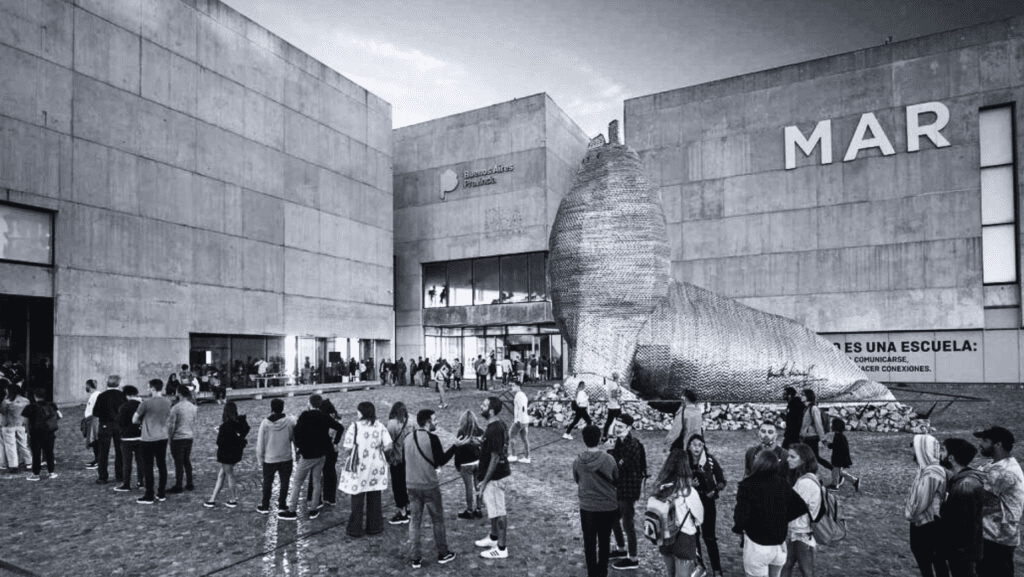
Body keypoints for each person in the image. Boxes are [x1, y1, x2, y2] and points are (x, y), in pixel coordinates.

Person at [733, 450, 808, 577]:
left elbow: (741, 518)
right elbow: (800, 507)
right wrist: (782, 518)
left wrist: (740, 529)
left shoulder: (747, 485)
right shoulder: (782, 483)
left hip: (757, 545)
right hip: (779, 545)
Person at [404, 409, 457, 568]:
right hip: (429, 485)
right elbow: (441, 461)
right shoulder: (432, 438)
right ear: (428, 422)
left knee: (415, 521)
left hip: (411, 485)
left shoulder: (407, 438)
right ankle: (443, 552)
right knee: (437, 520)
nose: (437, 422)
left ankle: (415, 557)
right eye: (435, 419)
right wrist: (455, 447)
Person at [278, 394, 343, 520]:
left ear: (310, 403)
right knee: (316, 481)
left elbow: (297, 432)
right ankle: (313, 509)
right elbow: (340, 428)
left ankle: (292, 510)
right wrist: (334, 443)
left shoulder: (304, 416)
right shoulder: (324, 416)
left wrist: (299, 448)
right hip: (321, 454)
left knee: (297, 482)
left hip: (307, 455)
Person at [974, 426, 1024, 577]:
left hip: (997, 538)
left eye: (985, 440)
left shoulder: (1003, 471)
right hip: (993, 534)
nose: (980, 444)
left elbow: (979, 498)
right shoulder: (996, 465)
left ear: (998, 444)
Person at [339, 401, 392, 537]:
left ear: (361, 412)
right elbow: (388, 445)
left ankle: (355, 529)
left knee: (357, 498)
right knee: (375, 498)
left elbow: (347, 447)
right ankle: (374, 527)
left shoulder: (355, 426)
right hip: (376, 466)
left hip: (359, 467)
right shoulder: (380, 426)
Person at [573, 424, 619, 577]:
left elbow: (577, 479)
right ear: (599, 439)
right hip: (608, 505)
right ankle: (602, 572)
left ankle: (592, 573)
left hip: (588, 507)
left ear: (584, 440)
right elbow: (616, 478)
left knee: (589, 542)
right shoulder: (609, 459)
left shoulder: (578, 461)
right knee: (604, 540)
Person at [654, 448, 705, 577]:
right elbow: (700, 518)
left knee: (670, 573)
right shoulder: (688, 491)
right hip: (684, 538)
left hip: (665, 536)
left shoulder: (660, 487)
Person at [940, 437, 985, 577]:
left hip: (962, 552)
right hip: (961, 550)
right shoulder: (959, 481)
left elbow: (964, 524)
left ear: (951, 458)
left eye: (942, 450)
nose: (939, 454)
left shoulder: (965, 485)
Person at [606, 413, 646, 571]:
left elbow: (618, 465)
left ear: (629, 428)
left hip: (629, 489)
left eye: (620, 427)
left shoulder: (632, 445)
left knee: (628, 523)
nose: (617, 429)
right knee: (613, 518)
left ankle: (633, 558)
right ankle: (621, 549)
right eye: (616, 425)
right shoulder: (619, 441)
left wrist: (609, 454)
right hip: (620, 486)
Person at [905, 434, 949, 577]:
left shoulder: (932, 472)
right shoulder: (924, 469)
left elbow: (923, 500)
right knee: (929, 562)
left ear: (924, 449)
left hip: (928, 525)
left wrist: (910, 514)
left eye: (915, 448)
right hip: (922, 522)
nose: (913, 452)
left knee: (932, 562)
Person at [475, 396, 512, 559]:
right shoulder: (497, 425)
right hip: (494, 476)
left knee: (499, 511)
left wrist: (485, 481)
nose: (480, 406)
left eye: (483, 405)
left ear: (490, 411)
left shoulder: (494, 428)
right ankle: (493, 537)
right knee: (493, 509)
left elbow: (495, 457)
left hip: (495, 477)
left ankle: (501, 548)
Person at [781, 443, 822, 577]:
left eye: (792, 457)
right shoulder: (805, 478)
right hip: (798, 531)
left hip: (802, 532)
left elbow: (795, 509)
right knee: (786, 565)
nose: (788, 459)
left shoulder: (805, 483)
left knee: (805, 571)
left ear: (803, 460)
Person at [689, 435, 726, 577]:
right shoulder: (685, 462)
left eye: (700, 445)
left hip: (707, 503)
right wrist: (689, 484)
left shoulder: (710, 461)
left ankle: (717, 569)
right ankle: (699, 566)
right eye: (694, 445)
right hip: (691, 503)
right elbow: (677, 480)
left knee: (710, 537)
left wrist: (715, 490)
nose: (697, 448)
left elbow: (721, 480)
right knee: (694, 536)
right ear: (689, 446)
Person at [204, 401, 250, 508]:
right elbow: (243, 431)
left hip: (226, 455)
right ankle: (212, 498)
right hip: (236, 453)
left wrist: (219, 432)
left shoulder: (225, 426)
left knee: (229, 475)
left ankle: (233, 499)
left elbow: (219, 442)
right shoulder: (238, 423)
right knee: (221, 475)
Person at [133, 379, 172, 505]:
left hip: (148, 438)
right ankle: (161, 493)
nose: (147, 389)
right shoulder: (167, 402)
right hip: (162, 436)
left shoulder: (146, 403)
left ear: (153, 388)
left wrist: (142, 421)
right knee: (162, 465)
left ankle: (149, 494)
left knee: (148, 467)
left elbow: (134, 419)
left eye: (148, 387)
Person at [255, 398, 296, 514]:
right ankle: (282, 504)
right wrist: (297, 453)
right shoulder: (289, 421)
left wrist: (260, 458)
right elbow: (294, 438)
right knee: (285, 482)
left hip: (269, 458)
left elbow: (260, 443)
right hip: (286, 457)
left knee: (267, 482)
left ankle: (265, 505)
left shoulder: (265, 423)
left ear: (271, 408)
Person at [450, 409, 484, 519]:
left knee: (469, 488)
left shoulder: (461, 432)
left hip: (466, 464)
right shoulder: (480, 431)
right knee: (478, 486)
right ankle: (478, 509)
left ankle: (469, 510)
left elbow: (458, 450)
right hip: (478, 462)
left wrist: (457, 464)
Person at [93, 375, 126, 486]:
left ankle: (103, 477)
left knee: (103, 452)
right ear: (118, 383)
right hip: (119, 425)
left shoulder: (102, 396)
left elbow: (95, 412)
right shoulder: (122, 395)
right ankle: (120, 475)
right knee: (120, 451)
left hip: (105, 425)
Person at [22, 388, 61, 480]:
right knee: (49, 453)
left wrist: (28, 431)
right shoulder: (52, 405)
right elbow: (60, 415)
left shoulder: (30, 407)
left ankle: (36, 474)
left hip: (35, 433)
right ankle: (51, 472)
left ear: (35, 396)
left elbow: (26, 422)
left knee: (36, 454)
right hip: (49, 433)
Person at [113, 385, 144, 492]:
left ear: (126, 395)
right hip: (140, 436)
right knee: (141, 461)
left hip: (127, 438)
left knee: (127, 463)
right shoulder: (142, 405)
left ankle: (126, 484)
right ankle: (141, 482)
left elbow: (119, 422)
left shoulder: (124, 406)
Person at [167, 385, 197, 493]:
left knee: (178, 463)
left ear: (178, 393)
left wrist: (170, 438)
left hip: (178, 437)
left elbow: (172, 425)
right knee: (186, 461)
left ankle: (178, 485)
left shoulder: (176, 408)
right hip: (189, 436)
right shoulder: (193, 407)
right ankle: (189, 483)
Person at [386, 401, 412, 525]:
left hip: (397, 459)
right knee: (406, 485)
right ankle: (409, 508)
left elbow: (388, 444)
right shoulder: (411, 422)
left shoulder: (392, 424)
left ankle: (402, 513)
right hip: (409, 458)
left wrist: (388, 458)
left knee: (398, 486)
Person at [798, 389, 832, 472]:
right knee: (807, 458)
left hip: (811, 438)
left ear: (808, 396)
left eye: (803, 395)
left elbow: (818, 424)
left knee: (815, 458)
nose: (801, 396)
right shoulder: (806, 408)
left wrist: (823, 439)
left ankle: (837, 472)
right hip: (806, 438)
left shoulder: (813, 408)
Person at [1, 382, 30, 474]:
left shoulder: (7, 402)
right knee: (24, 445)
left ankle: (13, 465)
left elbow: (3, 412)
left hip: (9, 426)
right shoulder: (26, 401)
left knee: (11, 446)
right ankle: (29, 462)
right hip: (21, 425)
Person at [825, 417, 859, 491]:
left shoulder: (838, 436)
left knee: (835, 472)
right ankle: (854, 480)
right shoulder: (840, 435)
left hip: (838, 458)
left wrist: (828, 444)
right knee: (840, 472)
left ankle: (834, 485)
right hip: (840, 458)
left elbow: (835, 447)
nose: (831, 426)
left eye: (833, 425)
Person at [507, 381, 531, 464]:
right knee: (524, 438)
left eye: (513, 386)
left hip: (520, 420)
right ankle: (527, 457)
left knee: (512, 435)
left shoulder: (519, 395)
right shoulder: (522, 395)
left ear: (518, 386)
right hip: (524, 420)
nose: (512, 387)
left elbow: (522, 408)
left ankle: (513, 455)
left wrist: (519, 420)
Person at [82, 379, 101, 469]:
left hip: (94, 420)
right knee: (93, 440)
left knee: (95, 440)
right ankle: (97, 459)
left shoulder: (96, 395)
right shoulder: (94, 395)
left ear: (89, 386)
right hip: (91, 420)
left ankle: (98, 460)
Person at [602, 373, 623, 442]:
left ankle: (604, 436)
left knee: (609, 422)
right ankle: (620, 436)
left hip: (611, 406)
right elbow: (614, 395)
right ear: (617, 378)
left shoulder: (611, 384)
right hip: (616, 406)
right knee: (621, 422)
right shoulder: (614, 385)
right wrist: (620, 401)